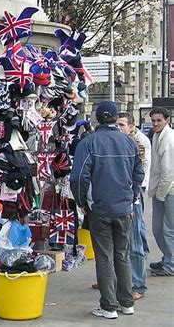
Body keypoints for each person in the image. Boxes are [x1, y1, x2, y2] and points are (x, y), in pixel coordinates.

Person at [70, 101, 144, 319]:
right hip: (123, 207)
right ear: (114, 118)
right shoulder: (128, 142)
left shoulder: (89, 142)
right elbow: (138, 173)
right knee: (122, 255)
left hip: (100, 208)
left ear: (96, 117)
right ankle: (126, 302)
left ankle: (109, 306)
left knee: (104, 257)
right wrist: (132, 196)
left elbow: (79, 177)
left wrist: (82, 201)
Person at [116, 112, 151, 299]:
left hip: (132, 199)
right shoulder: (116, 143)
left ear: (131, 126)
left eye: (121, 125)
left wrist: (134, 195)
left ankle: (138, 284)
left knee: (134, 242)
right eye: (116, 124)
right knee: (116, 243)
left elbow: (139, 174)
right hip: (116, 199)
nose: (118, 128)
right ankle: (115, 280)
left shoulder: (138, 144)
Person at [147, 107, 174, 276]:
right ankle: (168, 258)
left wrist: (161, 195)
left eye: (159, 120)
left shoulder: (168, 139)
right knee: (158, 228)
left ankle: (170, 264)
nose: (155, 123)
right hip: (161, 189)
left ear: (167, 120)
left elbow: (168, 172)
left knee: (168, 229)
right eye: (153, 120)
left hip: (169, 191)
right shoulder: (158, 135)